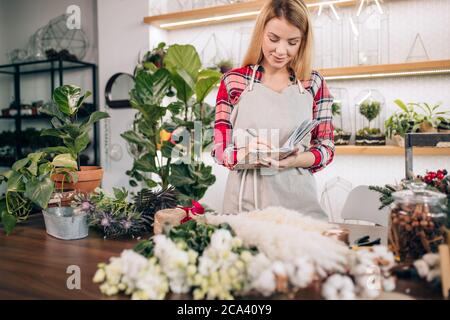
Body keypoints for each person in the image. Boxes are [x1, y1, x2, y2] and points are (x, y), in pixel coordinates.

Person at [211, 0, 334, 218]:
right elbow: (219, 150)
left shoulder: (312, 83)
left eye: (292, 42)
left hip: (300, 208)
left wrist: (294, 160)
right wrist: (247, 153)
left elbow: (326, 148)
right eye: (273, 39)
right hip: (245, 209)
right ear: (260, 33)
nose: (280, 50)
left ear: (303, 42)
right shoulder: (233, 82)